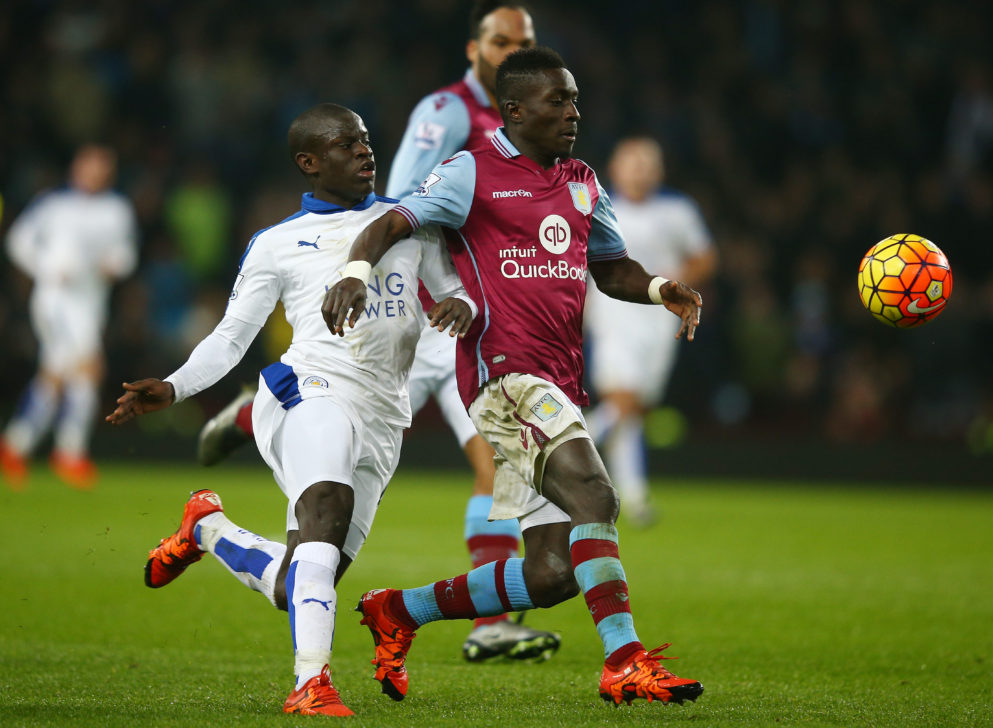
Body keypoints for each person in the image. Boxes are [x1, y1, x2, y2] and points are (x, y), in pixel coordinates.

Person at [323, 48, 705, 707]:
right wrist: (356, 272)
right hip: (503, 379)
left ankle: (399, 610)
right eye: (559, 102)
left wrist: (660, 286)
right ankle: (625, 661)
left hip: (558, 380)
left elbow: (609, 269)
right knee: (595, 496)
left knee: (553, 572)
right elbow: (393, 221)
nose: (573, 113)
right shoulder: (470, 172)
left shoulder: (583, 180)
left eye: (576, 100)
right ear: (516, 109)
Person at [195, 0, 558, 663]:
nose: (514, 52)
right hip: (413, 308)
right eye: (501, 41)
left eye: (525, 41)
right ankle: (488, 623)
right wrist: (387, 271)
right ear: (473, 48)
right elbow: (395, 198)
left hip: (453, 311)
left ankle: (256, 421)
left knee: (316, 567)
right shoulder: (448, 112)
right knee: (498, 457)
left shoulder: (517, 122)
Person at [106, 103, 475, 717]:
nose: (364, 151)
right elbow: (230, 337)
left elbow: (454, 285)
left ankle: (207, 529)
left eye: (364, 140)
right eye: (344, 144)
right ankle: (311, 684)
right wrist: (172, 388)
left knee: (303, 579)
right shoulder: (276, 244)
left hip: (385, 412)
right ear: (309, 162)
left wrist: (460, 304)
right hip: (309, 389)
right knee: (325, 512)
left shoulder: (409, 224)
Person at [583, 137, 717, 526]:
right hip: (613, 314)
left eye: (647, 163)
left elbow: (705, 257)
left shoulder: (677, 211)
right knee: (622, 401)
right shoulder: (596, 207)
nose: (640, 170)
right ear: (615, 168)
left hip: (659, 319)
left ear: (659, 171)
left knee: (636, 410)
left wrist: (677, 286)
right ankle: (553, 454)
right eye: (632, 162)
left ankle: (634, 498)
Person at [0, 144, 137, 490]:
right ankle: (70, 452)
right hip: (56, 300)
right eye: (90, 165)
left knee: (59, 374)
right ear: (77, 167)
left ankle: (16, 445)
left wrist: (115, 265)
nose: (95, 173)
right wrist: (46, 267)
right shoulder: (53, 206)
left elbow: (126, 254)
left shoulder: (116, 210)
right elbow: (18, 242)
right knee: (89, 368)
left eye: (102, 167)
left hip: (90, 304)